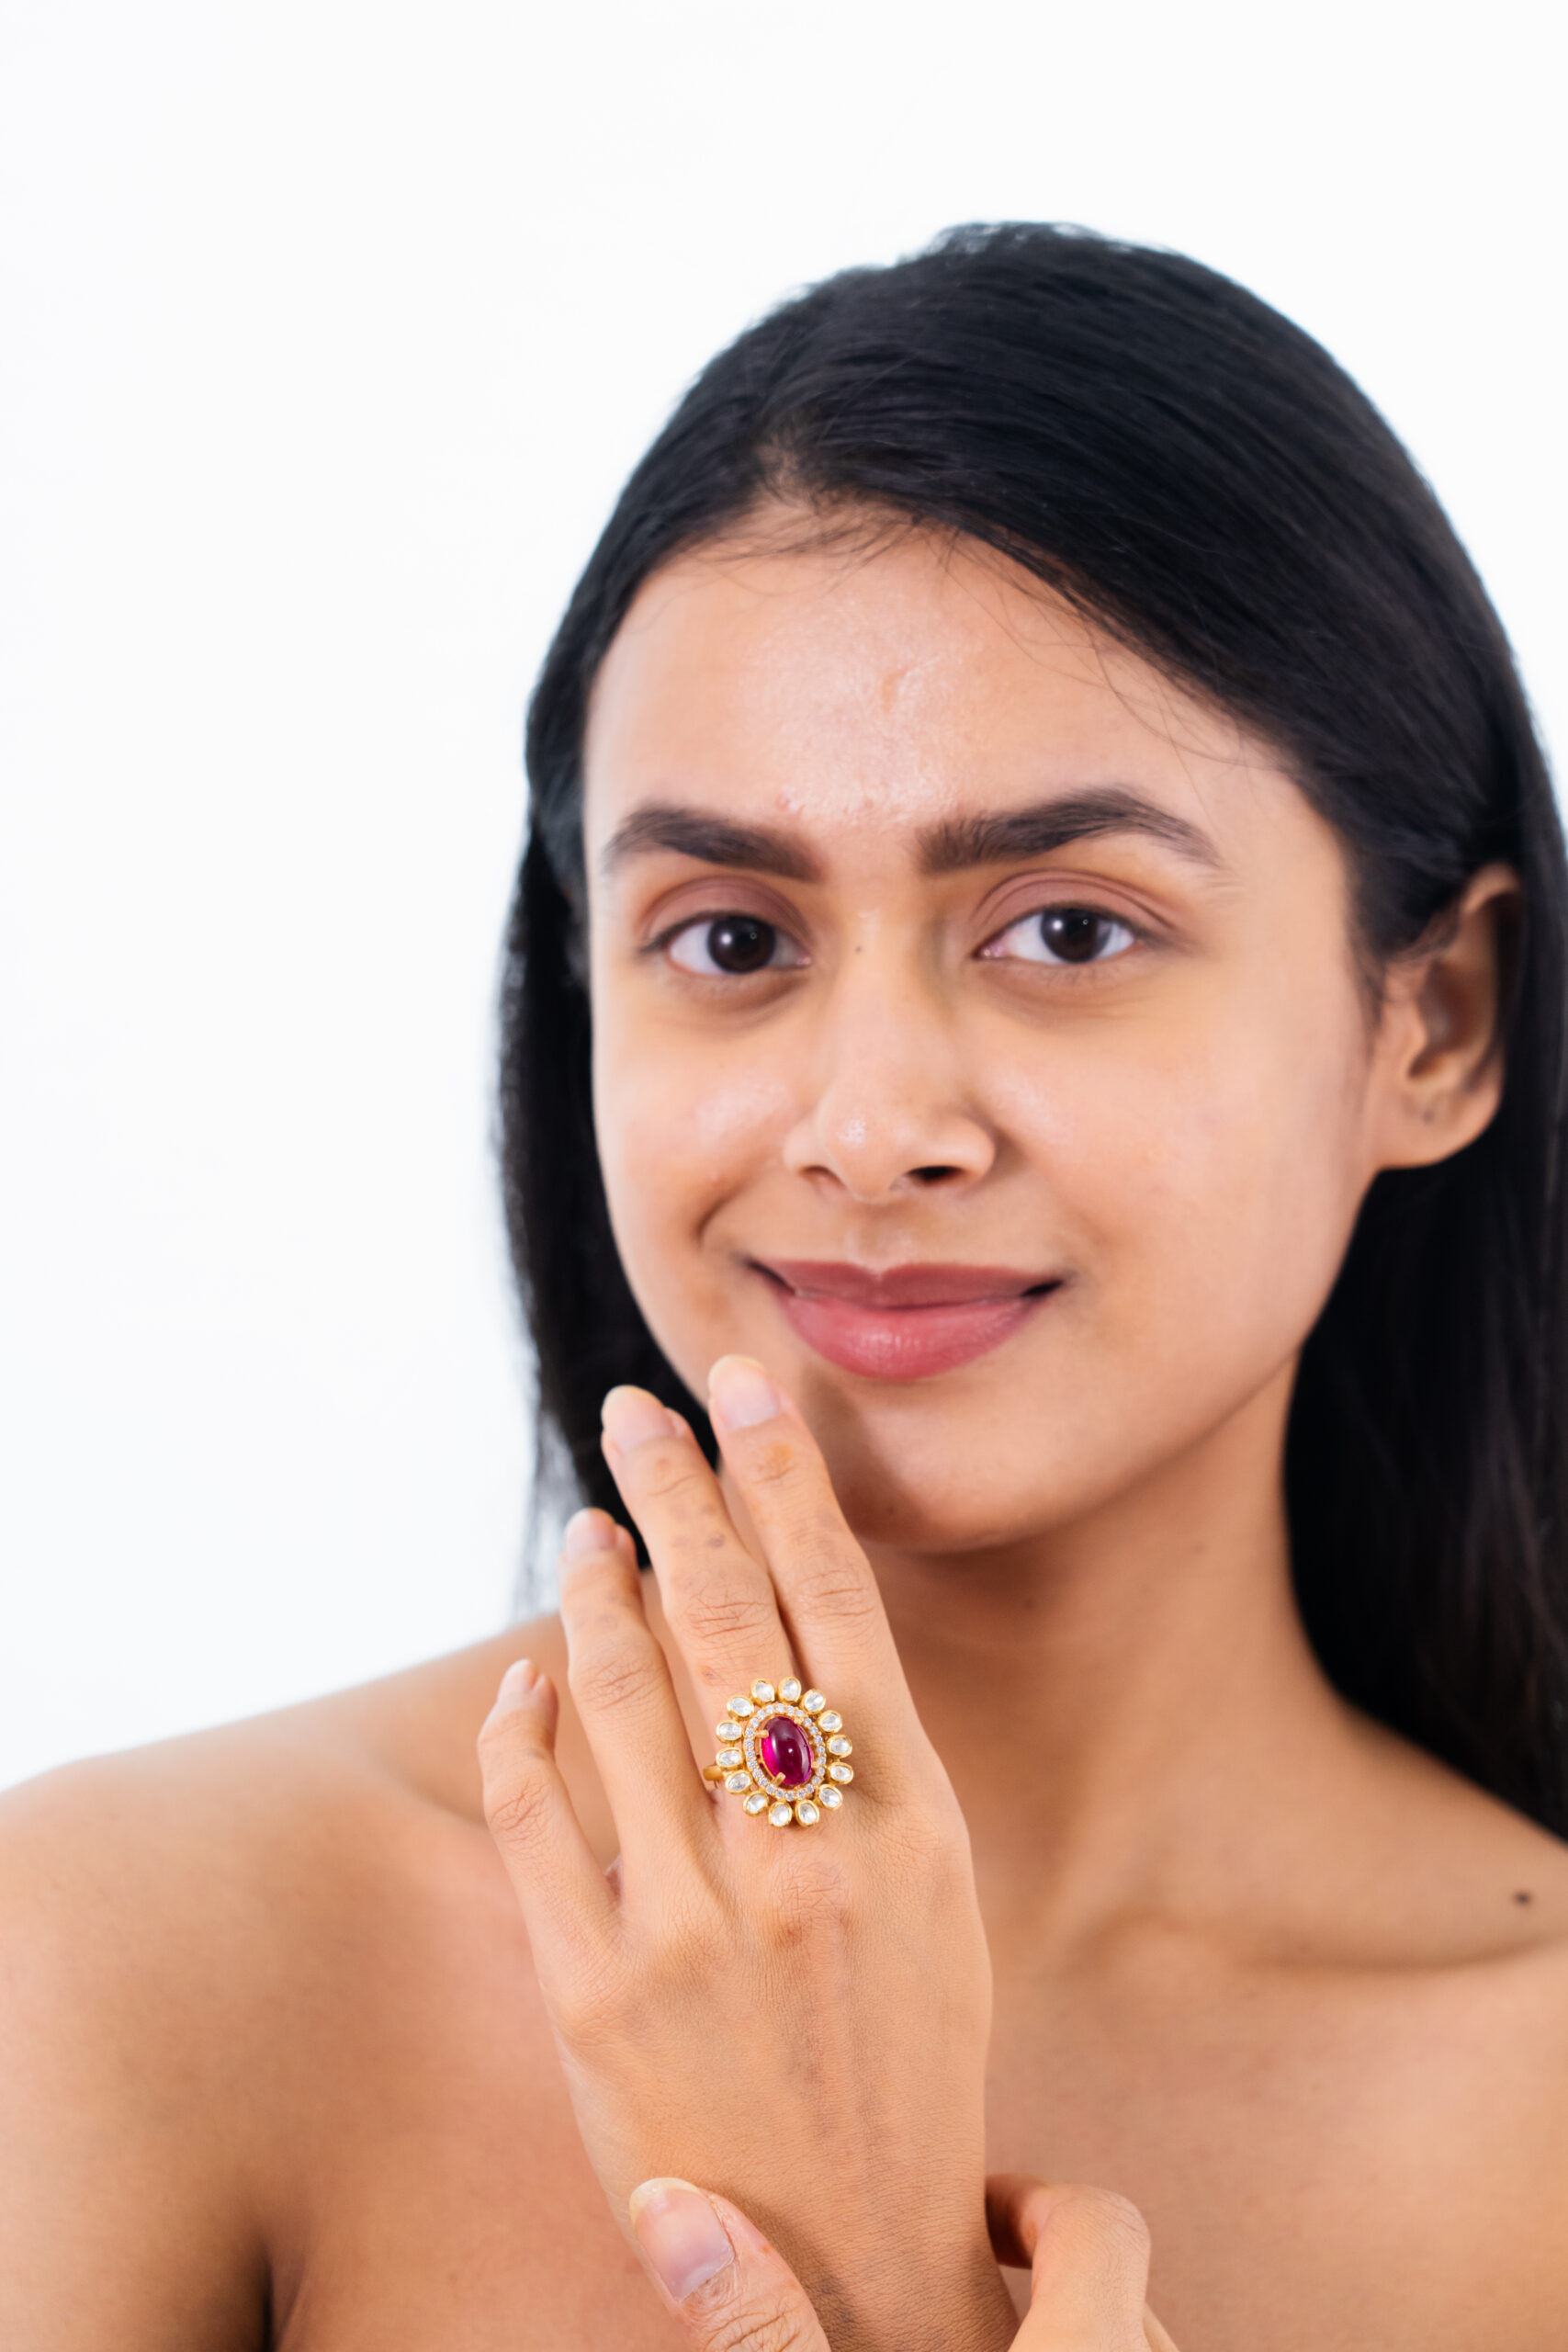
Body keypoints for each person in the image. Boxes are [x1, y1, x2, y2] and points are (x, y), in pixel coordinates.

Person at [3, 222, 1566, 2352]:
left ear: (1434, 1020)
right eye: (731, 937)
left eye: (1068, 928)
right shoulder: (126, 1962)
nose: (866, 1122)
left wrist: (878, 2292)